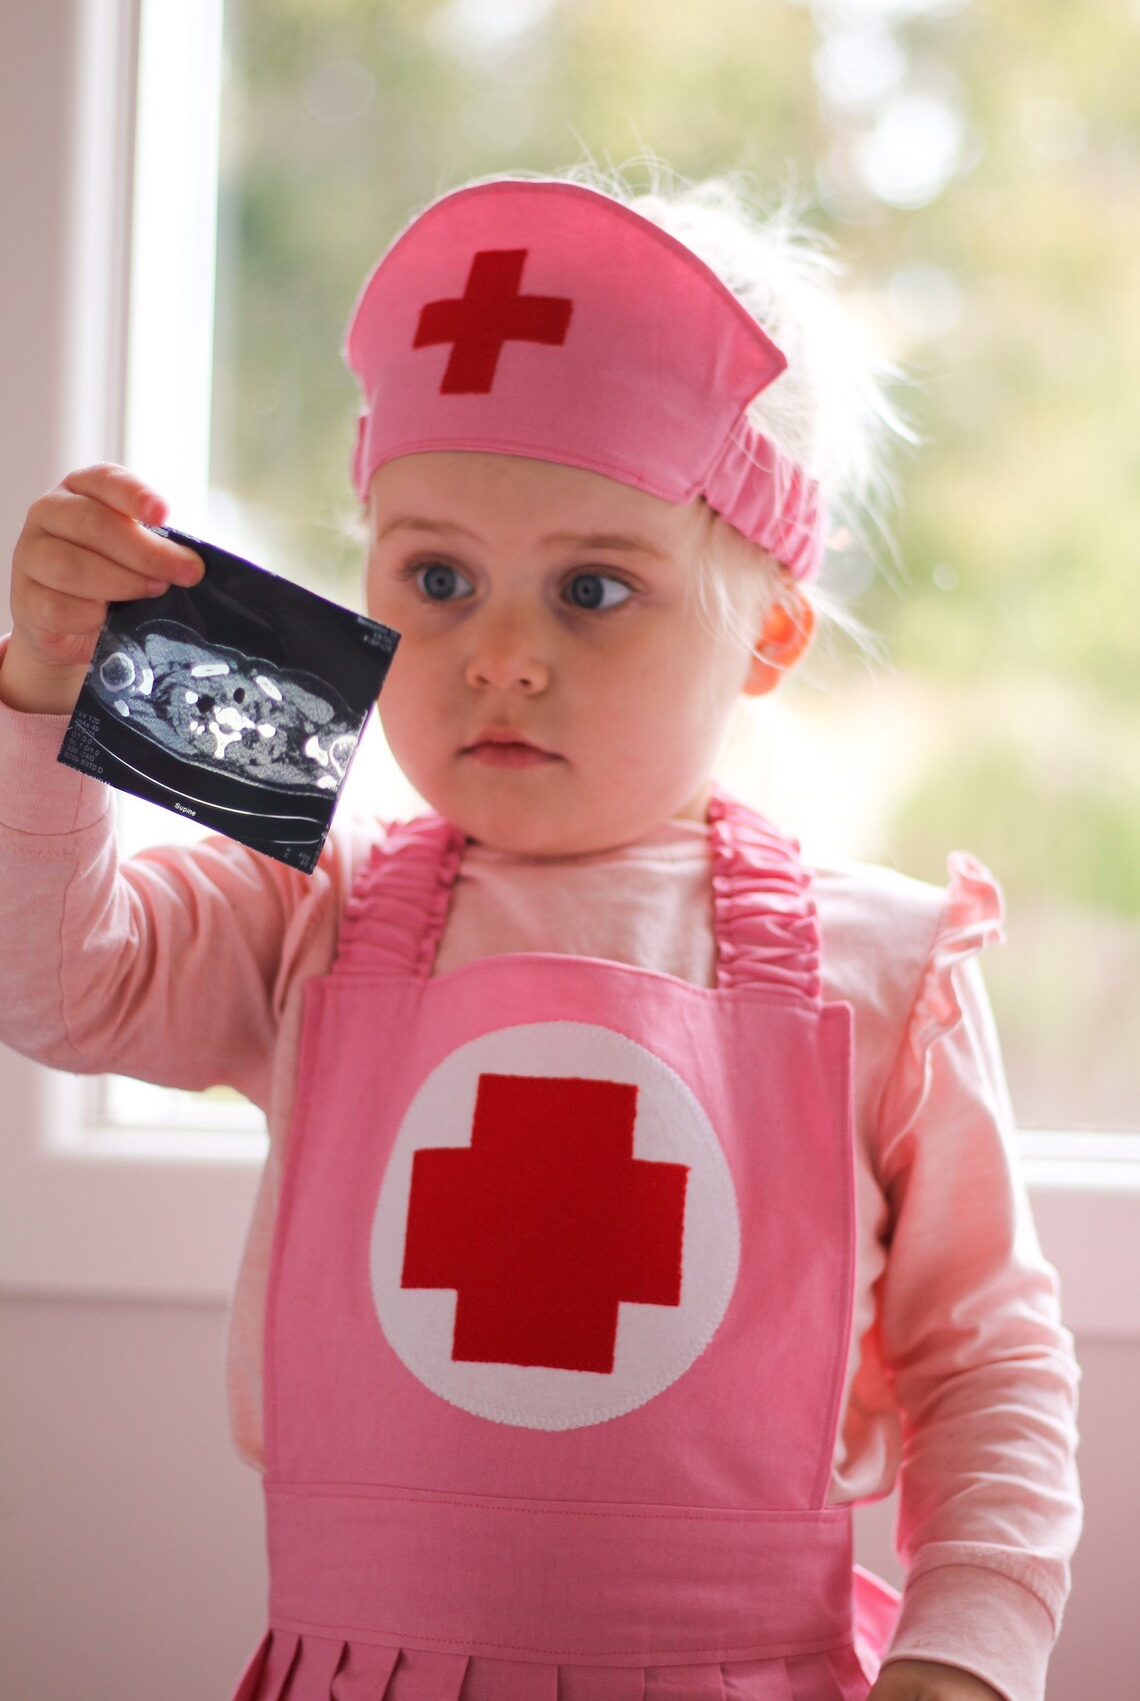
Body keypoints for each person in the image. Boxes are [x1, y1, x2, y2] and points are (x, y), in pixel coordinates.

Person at [0, 173, 1080, 1701]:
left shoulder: (888, 974)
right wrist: (48, 693)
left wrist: (967, 1649)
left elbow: (990, 1362)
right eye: (437, 580)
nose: (500, 655)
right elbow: (57, 982)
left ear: (770, 632)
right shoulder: (313, 915)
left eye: (593, 589)